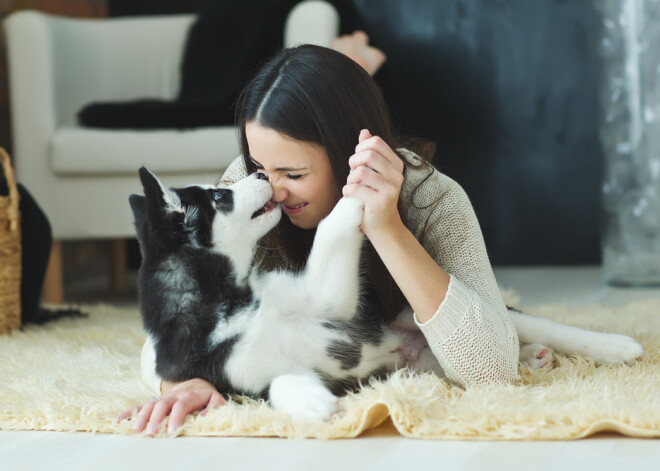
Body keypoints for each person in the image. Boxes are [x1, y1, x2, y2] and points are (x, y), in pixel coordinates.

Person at [123, 32, 519, 436]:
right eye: (260, 166)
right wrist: (184, 382)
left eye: (294, 174)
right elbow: (170, 331)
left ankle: (355, 58)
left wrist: (385, 226)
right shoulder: (249, 188)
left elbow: (492, 369)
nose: (272, 190)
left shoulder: (431, 198)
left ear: (348, 154)